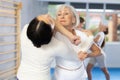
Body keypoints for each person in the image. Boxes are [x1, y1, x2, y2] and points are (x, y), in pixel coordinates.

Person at [17, 14, 82, 80]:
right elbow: (74, 56)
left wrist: (70, 36)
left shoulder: (26, 30)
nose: (47, 15)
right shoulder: (57, 46)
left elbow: (52, 21)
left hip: (21, 77)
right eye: (49, 20)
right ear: (51, 32)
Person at [53, 4, 102, 80]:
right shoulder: (54, 33)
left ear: (73, 19)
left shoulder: (81, 34)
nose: (62, 16)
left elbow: (98, 51)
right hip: (61, 76)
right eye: (59, 15)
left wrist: (87, 55)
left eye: (66, 13)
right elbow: (51, 21)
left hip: (81, 75)